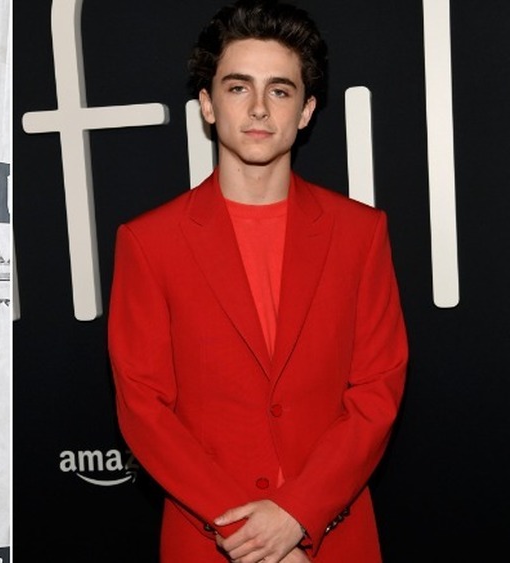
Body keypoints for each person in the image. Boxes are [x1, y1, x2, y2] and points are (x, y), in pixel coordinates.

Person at [108, 1, 407, 561]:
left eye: (281, 90)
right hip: (209, 538)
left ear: (307, 110)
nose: (260, 110)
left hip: (334, 536)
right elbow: (144, 408)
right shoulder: (149, 242)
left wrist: (297, 514)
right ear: (207, 105)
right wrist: (248, 532)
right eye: (239, 87)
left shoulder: (360, 232)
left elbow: (377, 388)